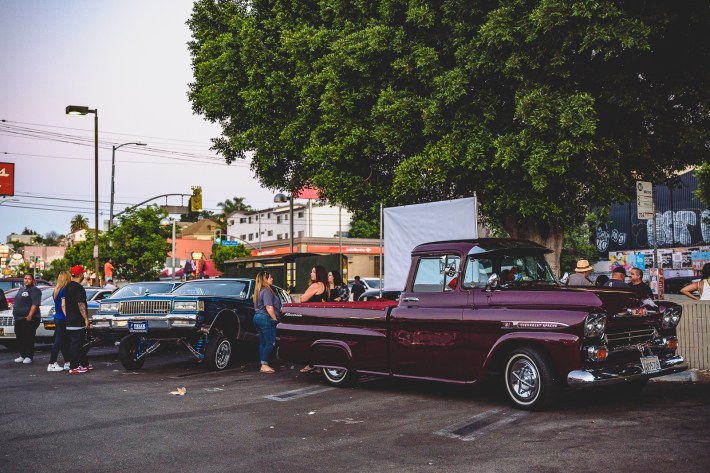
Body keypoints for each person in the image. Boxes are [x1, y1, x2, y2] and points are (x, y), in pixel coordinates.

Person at [299, 265, 328, 373]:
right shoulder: (325, 285)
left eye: (314, 272)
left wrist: (303, 295)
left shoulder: (315, 285)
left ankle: (311, 364)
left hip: (312, 317)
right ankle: (319, 366)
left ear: (319, 274)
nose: (311, 274)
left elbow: (302, 299)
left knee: (309, 341)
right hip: (321, 316)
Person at [252, 271, 282, 373]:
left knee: (263, 343)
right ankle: (264, 365)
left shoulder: (258, 292)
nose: (272, 279)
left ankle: (263, 364)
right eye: (270, 277)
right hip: (266, 318)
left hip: (257, 317)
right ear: (265, 279)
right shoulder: (266, 291)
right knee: (270, 342)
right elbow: (269, 306)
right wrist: (274, 319)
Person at [64, 265, 91, 374]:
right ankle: (74, 366)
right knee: (76, 344)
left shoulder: (68, 287)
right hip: (77, 320)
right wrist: (86, 319)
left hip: (70, 319)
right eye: (83, 273)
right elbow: (81, 304)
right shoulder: (79, 288)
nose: (84, 275)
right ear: (80, 274)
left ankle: (84, 364)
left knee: (77, 343)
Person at [12, 274, 42, 364]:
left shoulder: (35, 290)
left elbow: (35, 304)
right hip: (19, 318)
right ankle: (23, 355)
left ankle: (29, 356)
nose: (27, 280)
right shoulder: (21, 289)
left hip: (29, 318)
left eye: (29, 279)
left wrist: (30, 315)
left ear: (32, 280)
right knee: (20, 337)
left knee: (28, 338)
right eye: (25, 278)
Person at [47, 271, 71, 372]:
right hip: (63, 318)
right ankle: (52, 363)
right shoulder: (65, 290)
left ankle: (67, 362)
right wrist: (69, 317)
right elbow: (63, 305)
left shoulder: (56, 290)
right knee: (59, 342)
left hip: (57, 317)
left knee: (63, 342)